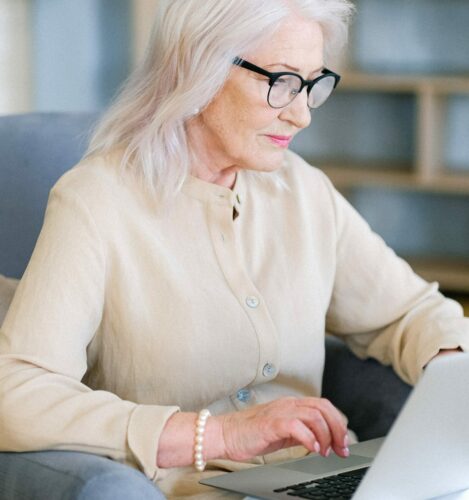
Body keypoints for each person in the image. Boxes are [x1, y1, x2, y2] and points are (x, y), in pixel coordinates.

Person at [1, 0, 468, 498]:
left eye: (312, 84)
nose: (302, 113)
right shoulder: (97, 202)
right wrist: (220, 434)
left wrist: (453, 358)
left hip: (318, 478)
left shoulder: (302, 191)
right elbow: (17, 393)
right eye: (282, 82)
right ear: (197, 70)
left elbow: (407, 312)